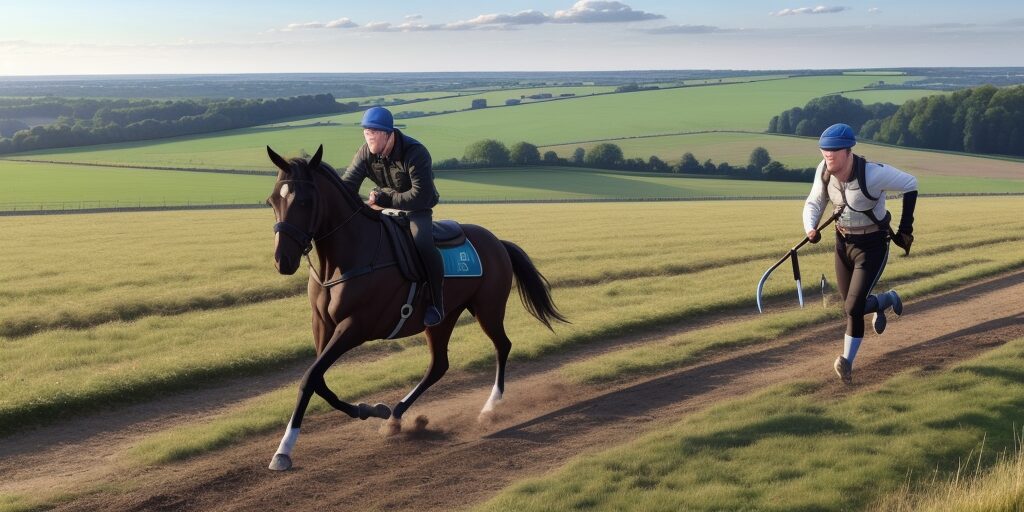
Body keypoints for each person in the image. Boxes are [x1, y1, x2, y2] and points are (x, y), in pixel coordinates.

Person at [803, 123, 918, 385]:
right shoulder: (824, 171)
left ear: (848, 152)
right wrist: (810, 227)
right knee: (852, 307)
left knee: (853, 306)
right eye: (824, 151)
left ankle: (846, 362)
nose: (827, 156)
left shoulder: (873, 175)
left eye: (833, 152)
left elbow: (911, 183)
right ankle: (884, 300)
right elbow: (815, 201)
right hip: (843, 244)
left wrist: (905, 228)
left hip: (873, 247)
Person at [341, 106, 445, 327]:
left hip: (417, 209)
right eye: (365, 131)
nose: (367, 136)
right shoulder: (365, 152)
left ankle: (437, 303)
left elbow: (420, 195)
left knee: (423, 243)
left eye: (373, 132)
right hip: (383, 206)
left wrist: (385, 198)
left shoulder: (415, 152)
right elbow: (348, 185)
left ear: (388, 133)